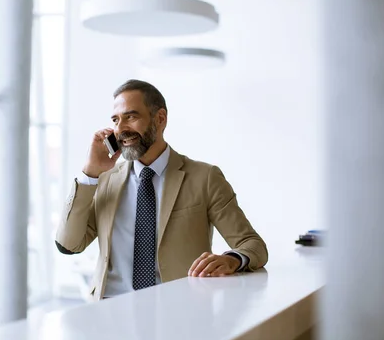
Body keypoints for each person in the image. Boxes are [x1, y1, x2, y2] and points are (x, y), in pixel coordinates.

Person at [56, 79, 268, 300]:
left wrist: (231, 259)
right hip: (111, 309)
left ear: (160, 119)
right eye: (116, 120)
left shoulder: (204, 178)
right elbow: (69, 244)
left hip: (179, 310)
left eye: (131, 117)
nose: (121, 129)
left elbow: (253, 244)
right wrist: (90, 173)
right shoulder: (104, 180)